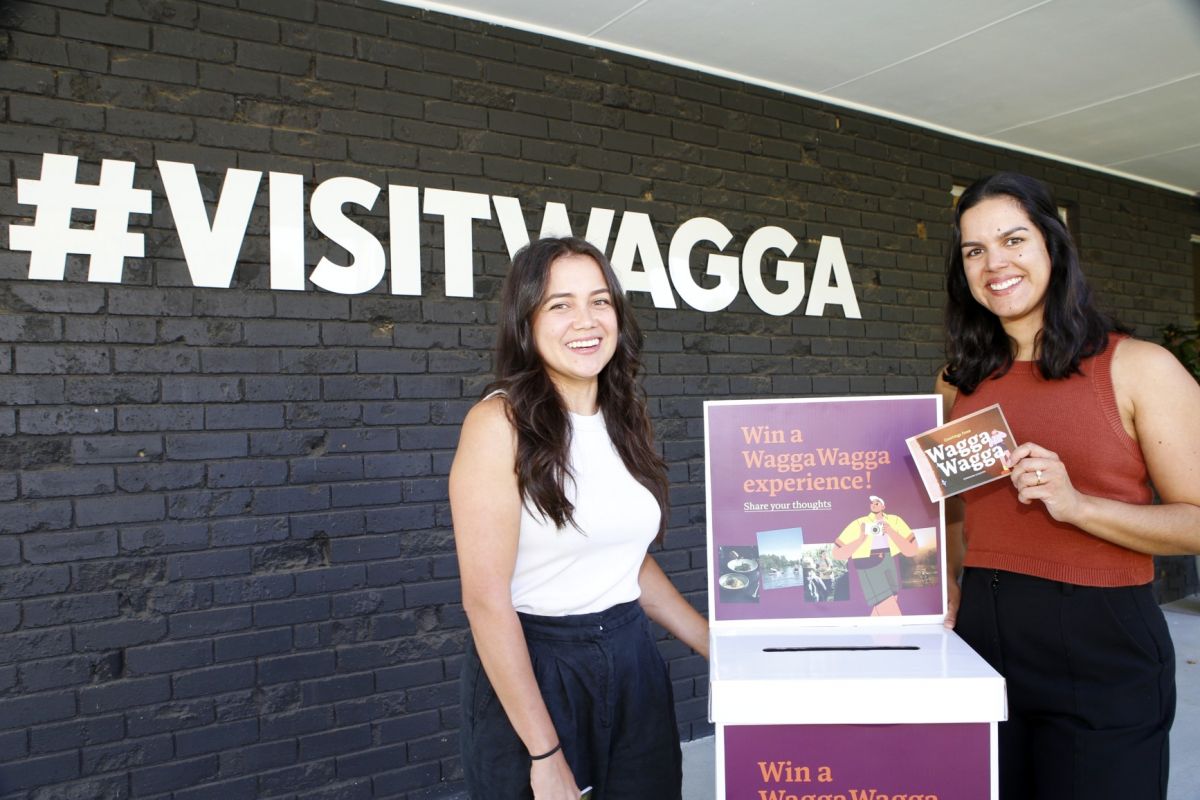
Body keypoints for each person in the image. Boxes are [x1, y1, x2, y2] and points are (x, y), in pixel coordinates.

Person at [936, 172, 1200, 799]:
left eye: (1013, 240)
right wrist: (942, 582)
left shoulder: (1139, 366)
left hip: (1101, 643)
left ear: (1054, 245)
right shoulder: (956, 380)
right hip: (981, 634)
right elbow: (953, 512)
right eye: (975, 251)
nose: (994, 263)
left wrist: (1078, 505)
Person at [449, 236, 709, 800]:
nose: (585, 320)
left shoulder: (622, 417)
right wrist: (544, 753)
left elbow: (620, 561)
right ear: (527, 320)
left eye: (600, 301)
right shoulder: (499, 423)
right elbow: (486, 600)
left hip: (630, 659)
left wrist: (711, 641)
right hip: (538, 670)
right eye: (559, 304)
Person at [831, 495, 917, 615]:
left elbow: (912, 550)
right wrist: (861, 539)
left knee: (886, 607)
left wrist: (890, 531)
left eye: (877, 502)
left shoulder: (894, 520)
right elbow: (836, 553)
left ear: (884, 506)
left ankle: (872, 634)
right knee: (889, 610)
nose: (874, 504)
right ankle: (896, 634)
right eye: (872, 502)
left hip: (889, 560)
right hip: (867, 563)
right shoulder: (859, 523)